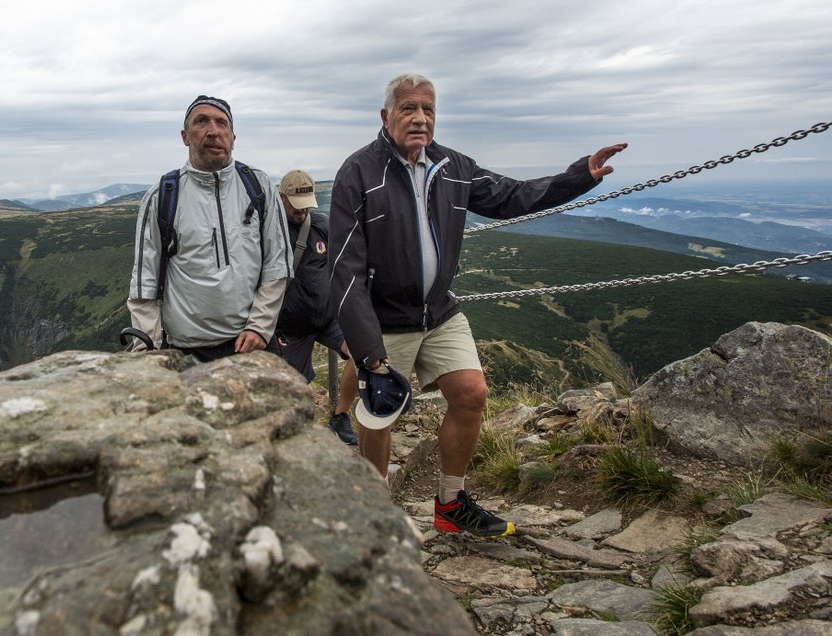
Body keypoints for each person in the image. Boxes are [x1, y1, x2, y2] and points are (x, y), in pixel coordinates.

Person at [329, 73, 627, 537]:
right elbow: (344, 266)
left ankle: (450, 504)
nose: (420, 118)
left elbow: (511, 197)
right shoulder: (359, 172)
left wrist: (578, 178)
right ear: (385, 116)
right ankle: (376, 509)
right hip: (384, 316)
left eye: (428, 108)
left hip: (439, 310)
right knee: (380, 413)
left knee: (472, 394)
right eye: (408, 108)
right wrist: (367, 351)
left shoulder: (452, 165)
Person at [127, 95, 292, 360]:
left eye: (222, 123)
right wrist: (148, 351)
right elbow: (144, 281)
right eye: (201, 121)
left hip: (251, 344)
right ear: (185, 136)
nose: (213, 131)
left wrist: (260, 328)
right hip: (186, 351)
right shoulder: (162, 197)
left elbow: (278, 263)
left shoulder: (259, 188)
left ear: (233, 137)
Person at [267, 169, 360, 445]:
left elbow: (347, 257)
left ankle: (340, 416)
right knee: (294, 390)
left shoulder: (322, 225)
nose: (303, 211)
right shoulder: (269, 232)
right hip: (290, 329)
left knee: (362, 354)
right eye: (297, 205)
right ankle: (288, 441)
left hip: (327, 318)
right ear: (281, 198)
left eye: (307, 204)